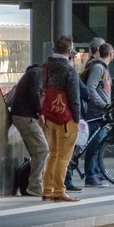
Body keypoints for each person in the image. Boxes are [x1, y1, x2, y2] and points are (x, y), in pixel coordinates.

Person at [41, 36, 82, 202]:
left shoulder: (46, 66)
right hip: (66, 117)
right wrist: (77, 118)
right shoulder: (69, 70)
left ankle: (47, 189)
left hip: (50, 114)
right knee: (64, 157)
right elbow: (74, 96)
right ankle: (59, 190)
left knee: (53, 154)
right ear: (69, 51)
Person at [10, 62, 49, 198]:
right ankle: (34, 186)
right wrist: (40, 113)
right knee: (42, 149)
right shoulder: (37, 73)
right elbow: (35, 92)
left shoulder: (33, 73)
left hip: (23, 115)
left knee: (37, 152)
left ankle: (31, 185)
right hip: (26, 116)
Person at [80, 42, 114, 188]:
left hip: (101, 111)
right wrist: (103, 104)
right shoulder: (98, 67)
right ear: (111, 54)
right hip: (95, 112)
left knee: (98, 143)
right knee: (95, 144)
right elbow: (90, 88)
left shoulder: (102, 68)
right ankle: (91, 176)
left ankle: (95, 173)